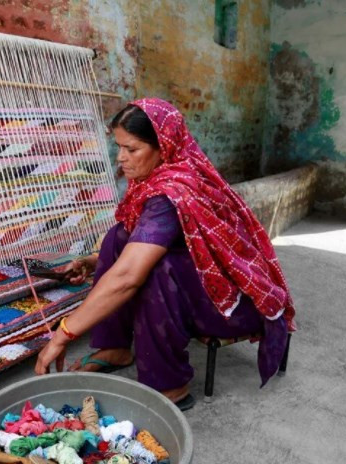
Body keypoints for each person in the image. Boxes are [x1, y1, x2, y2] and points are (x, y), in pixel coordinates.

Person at [34, 98, 296, 410]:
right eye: (119, 147)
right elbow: (132, 243)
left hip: (230, 306)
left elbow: (128, 276)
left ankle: (170, 385)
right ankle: (114, 348)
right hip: (197, 286)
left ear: (164, 146)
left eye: (132, 149)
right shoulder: (153, 180)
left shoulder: (172, 194)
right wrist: (94, 262)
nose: (121, 158)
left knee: (155, 269)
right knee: (119, 236)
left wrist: (64, 333)